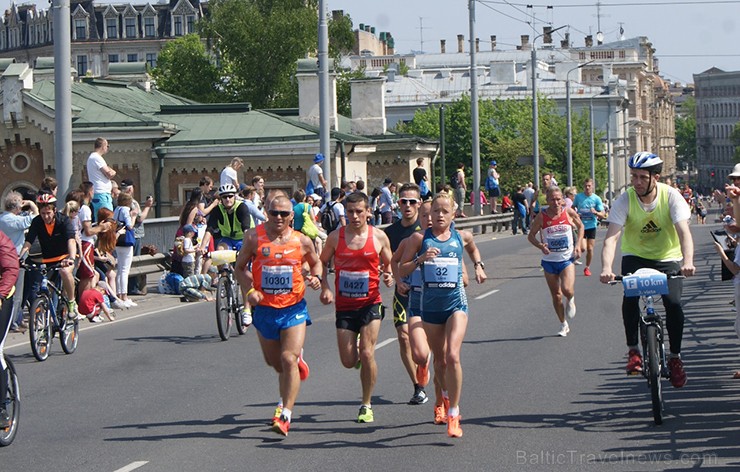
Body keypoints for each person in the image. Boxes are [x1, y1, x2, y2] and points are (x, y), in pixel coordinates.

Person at [600, 152, 695, 388]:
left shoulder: (671, 196)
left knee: (673, 303)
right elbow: (611, 239)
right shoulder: (625, 199)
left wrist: (688, 262)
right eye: (634, 176)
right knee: (630, 298)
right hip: (636, 257)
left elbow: (684, 233)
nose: (637, 182)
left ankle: (675, 358)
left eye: (642, 177)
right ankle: (633, 351)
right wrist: (606, 268)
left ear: (656, 177)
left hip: (667, 257)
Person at [398, 192, 487, 438]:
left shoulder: (461, 236)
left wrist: (479, 266)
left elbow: (472, 248)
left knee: (453, 355)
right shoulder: (419, 238)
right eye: (435, 210)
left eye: (444, 211)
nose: (439, 215)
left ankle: (454, 413)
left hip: (456, 304)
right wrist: (419, 259)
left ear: (453, 214)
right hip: (430, 307)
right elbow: (402, 268)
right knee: (440, 361)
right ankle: (443, 398)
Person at [235, 194, 321, 436]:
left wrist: (316, 278)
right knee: (275, 363)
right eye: (275, 213)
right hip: (265, 310)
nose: (279, 218)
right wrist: (250, 290)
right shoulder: (253, 237)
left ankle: (285, 414)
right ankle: (294, 366)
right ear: (267, 213)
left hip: (293, 308)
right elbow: (239, 269)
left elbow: (316, 264)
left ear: (292, 216)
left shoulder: (302, 241)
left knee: (287, 359)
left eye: (284, 213)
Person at [319, 192, 394, 424]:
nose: (354, 216)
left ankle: (366, 404)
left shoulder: (379, 237)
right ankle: (359, 353)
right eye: (350, 211)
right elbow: (321, 262)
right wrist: (325, 287)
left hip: (371, 302)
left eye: (359, 211)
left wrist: (389, 275)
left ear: (368, 212)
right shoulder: (335, 237)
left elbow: (389, 262)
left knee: (368, 352)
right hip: (345, 306)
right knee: (348, 361)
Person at [383, 183, 428, 405]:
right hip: (404, 292)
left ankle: (425, 365)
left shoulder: (428, 228)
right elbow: (390, 261)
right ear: (398, 204)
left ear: (419, 204)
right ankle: (418, 387)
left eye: (412, 201)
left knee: (425, 343)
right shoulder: (390, 232)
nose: (407, 206)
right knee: (403, 336)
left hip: (428, 294)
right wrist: (394, 278)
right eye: (403, 201)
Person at [527, 186, 584, 337]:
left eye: (558, 199)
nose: (556, 202)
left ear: (562, 200)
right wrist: (540, 245)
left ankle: (571, 298)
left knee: (566, 289)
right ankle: (563, 324)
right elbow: (531, 235)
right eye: (552, 199)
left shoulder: (568, 213)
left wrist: (578, 244)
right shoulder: (542, 216)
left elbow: (581, 226)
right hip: (549, 261)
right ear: (547, 200)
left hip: (566, 259)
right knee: (556, 295)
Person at [201, 184, 253, 325]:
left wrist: (247, 249)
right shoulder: (218, 210)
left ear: (235, 196)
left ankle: (247, 310)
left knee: (242, 274)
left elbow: (247, 230)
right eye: (225, 197)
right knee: (219, 251)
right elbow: (209, 229)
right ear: (221, 199)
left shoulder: (242, 207)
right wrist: (202, 246)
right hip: (227, 239)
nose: (228, 199)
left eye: (230, 196)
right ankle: (224, 280)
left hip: (243, 239)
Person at [19, 192, 79, 319]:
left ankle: (71, 302)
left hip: (66, 257)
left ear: (54, 210)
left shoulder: (64, 220)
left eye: (48, 213)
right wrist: (21, 257)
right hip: (48, 259)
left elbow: (71, 240)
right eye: (43, 213)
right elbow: (28, 241)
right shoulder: (37, 222)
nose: (45, 216)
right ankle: (45, 323)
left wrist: (71, 258)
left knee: (64, 272)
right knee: (45, 289)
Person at [0, 191, 37, 332]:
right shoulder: (14, 220)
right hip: (14, 259)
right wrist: (32, 204)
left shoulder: (2, 218)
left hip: (4, 258)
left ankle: (15, 319)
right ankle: (13, 322)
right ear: (17, 207)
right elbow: (36, 218)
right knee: (16, 294)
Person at [0, 229, 20, 429]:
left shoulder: (1, 240)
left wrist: (1, 293)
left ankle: (1, 408)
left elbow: (11, 268)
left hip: (2, 299)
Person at [120, 179, 154, 295]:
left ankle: (126, 288)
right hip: (134, 235)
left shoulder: (119, 200)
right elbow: (140, 218)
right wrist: (148, 206)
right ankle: (132, 288)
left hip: (123, 236)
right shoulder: (132, 202)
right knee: (133, 261)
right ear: (130, 189)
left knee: (125, 263)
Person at [573, 179, 605, 277]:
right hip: (581, 226)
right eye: (586, 186)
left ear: (592, 187)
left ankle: (587, 267)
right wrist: (576, 214)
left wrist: (596, 212)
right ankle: (571, 259)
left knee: (590, 249)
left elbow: (603, 214)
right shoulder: (578, 197)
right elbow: (572, 208)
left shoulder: (596, 199)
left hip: (591, 226)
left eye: (589, 186)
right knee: (582, 248)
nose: (587, 188)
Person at [113, 193, 137, 307]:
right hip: (126, 241)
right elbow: (130, 226)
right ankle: (124, 296)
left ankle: (118, 294)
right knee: (125, 270)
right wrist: (133, 217)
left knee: (120, 269)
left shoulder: (117, 209)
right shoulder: (126, 210)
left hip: (118, 240)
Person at [86, 137, 116, 221]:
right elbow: (109, 173)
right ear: (103, 146)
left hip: (98, 193)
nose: (107, 148)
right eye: (107, 146)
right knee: (107, 219)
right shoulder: (97, 158)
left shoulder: (93, 158)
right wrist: (113, 172)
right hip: (102, 194)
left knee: (99, 219)